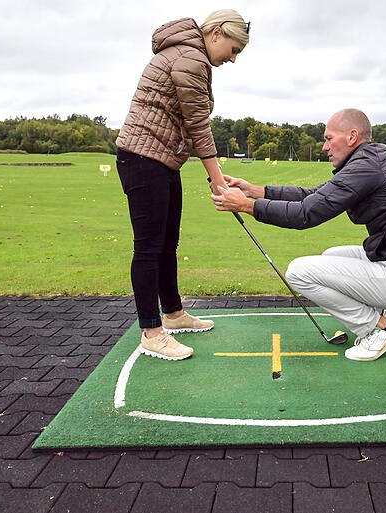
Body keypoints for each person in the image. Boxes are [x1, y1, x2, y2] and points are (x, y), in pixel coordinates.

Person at [211, 108, 386, 361]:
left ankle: (380, 328)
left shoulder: (365, 168)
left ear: (352, 136)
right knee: (331, 255)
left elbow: (305, 214)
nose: (325, 147)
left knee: (299, 273)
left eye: (329, 138)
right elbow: (312, 195)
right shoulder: (368, 161)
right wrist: (254, 190)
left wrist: (246, 206)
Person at [115, 10, 250, 361]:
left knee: (167, 243)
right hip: (143, 159)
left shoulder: (190, 54)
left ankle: (173, 314)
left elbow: (192, 122)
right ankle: (151, 332)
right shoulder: (191, 57)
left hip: (161, 159)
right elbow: (197, 125)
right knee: (148, 247)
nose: (232, 59)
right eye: (233, 50)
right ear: (216, 33)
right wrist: (219, 182)